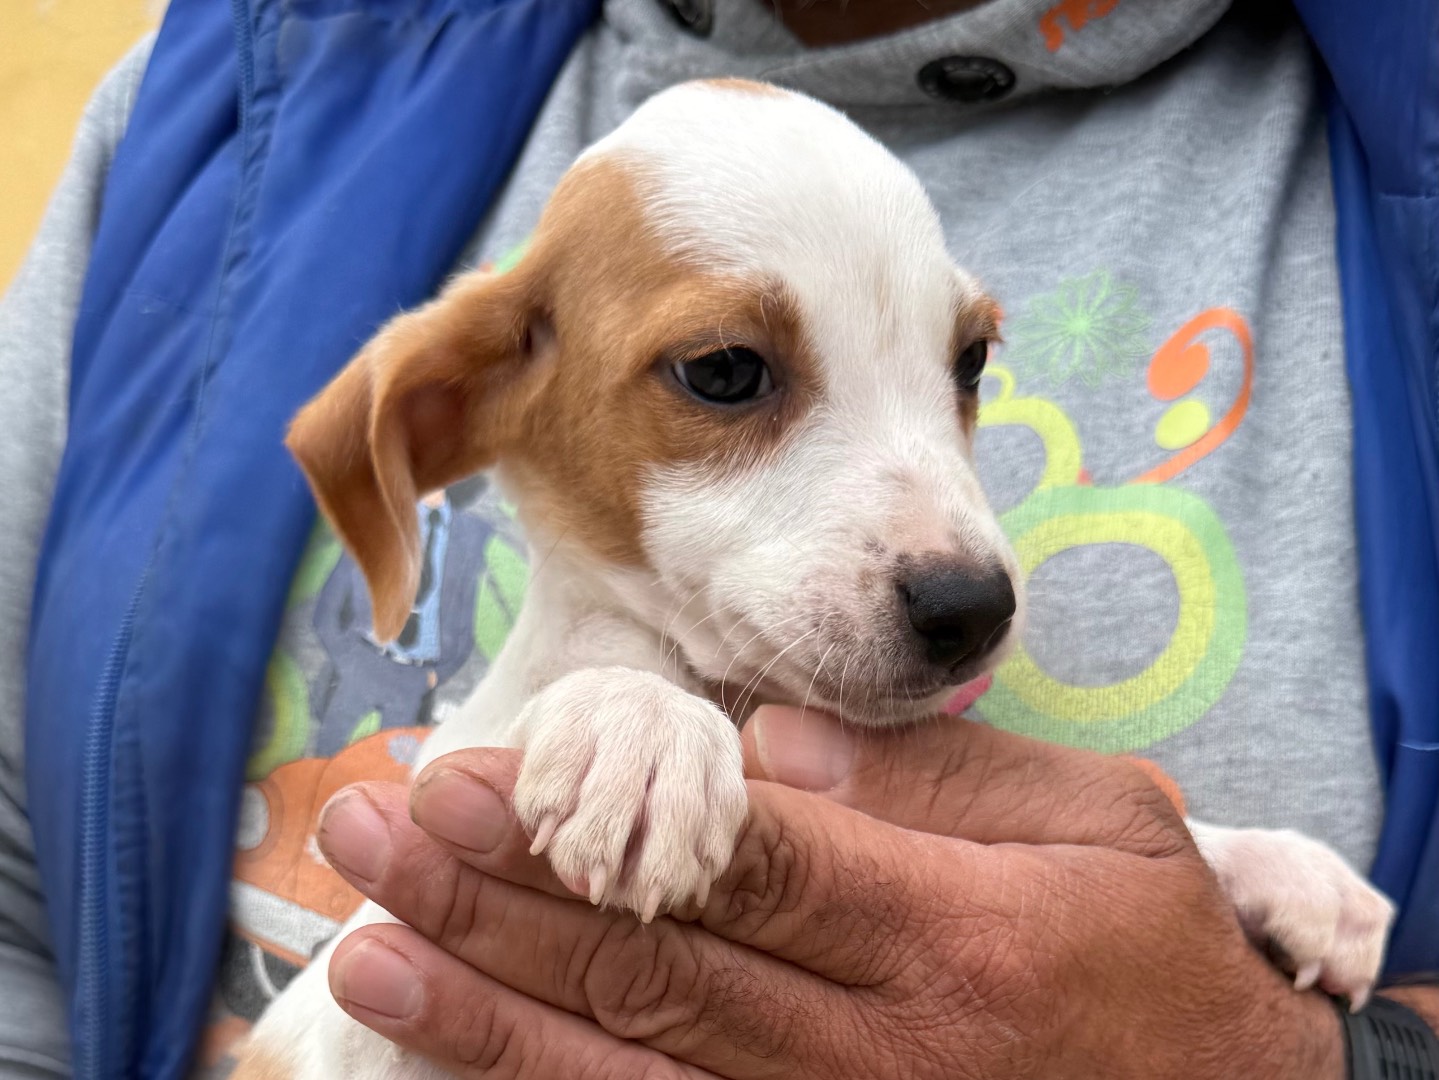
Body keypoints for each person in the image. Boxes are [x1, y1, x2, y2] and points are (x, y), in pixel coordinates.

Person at [0, 0, 1434, 1077]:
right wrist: (626, 711)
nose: (958, 552)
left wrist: (1328, 1047)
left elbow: (1046, 902)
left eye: (961, 362)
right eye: (733, 377)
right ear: (460, 409)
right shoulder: (229, 95)